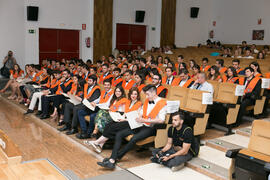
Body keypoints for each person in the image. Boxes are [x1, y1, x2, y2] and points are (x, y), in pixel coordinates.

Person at [97, 85, 167, 169]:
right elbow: (141, 112)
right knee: (119, 134)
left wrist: (144, 120)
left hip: (151, 128)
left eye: (148, 94)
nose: (146, 96)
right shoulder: (148, 100)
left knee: (134, 139)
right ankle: (113, 158)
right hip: (140, 124)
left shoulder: (162, 102)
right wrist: (137, 117)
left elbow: (161, 120)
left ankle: (113, 159)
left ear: (154, 93)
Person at [85, 87, 142, 153]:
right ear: (130, 94)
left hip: (130, 123)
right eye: (132, 94)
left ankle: (96, 142)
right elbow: (125, 113)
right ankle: (100, 145)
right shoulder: (129, 102)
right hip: (123, 119)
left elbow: (136, 118)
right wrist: (121, 117)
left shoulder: (139, 104)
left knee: (113, 127)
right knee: (109, 125)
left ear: (138, 95)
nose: (133, 96)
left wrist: (124, 119)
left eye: (135, 94)